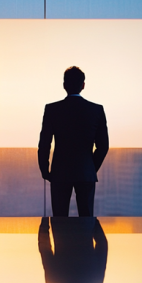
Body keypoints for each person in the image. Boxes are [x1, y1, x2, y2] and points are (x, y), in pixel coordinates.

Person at [38, 66, 109, 217]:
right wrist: (90, 168)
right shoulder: (96, 110)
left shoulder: (52, 109)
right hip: (85, 172)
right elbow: (103, 146)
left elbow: (45, 143)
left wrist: (45, 169)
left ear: (64, 85)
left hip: (59, 172)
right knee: (87, 219)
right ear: (83, 85)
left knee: (59, 221)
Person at [38, 217, 108, 283]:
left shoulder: (97, 278)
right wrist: (45, 221)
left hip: (85, 224)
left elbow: (102, 245)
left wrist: (94, 222)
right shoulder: (52, 279)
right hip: (60, 224)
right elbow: (44, 247)